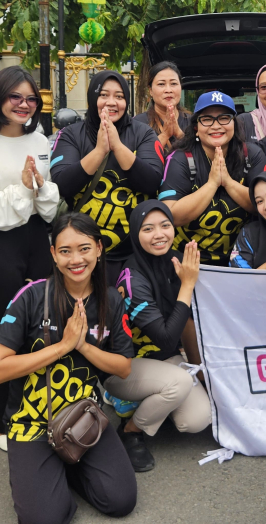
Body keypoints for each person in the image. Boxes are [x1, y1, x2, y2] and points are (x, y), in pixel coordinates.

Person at [0, 212, 136, 524]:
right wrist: (63, 346)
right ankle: (48, 478)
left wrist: (82, 346)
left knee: (121, 500)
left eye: (84, 248)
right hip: (31, 424)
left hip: (83, 417)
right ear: (53, 255)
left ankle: (64, 469)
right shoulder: (31, 297)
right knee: (46, 519)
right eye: (65, 251)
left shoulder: (111, 300)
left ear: (98, 248)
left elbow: (123, 367)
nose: (75, 259)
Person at [0, 66, 60, 451]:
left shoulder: (39, 138)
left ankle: (38, 409)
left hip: (37, 237)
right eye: (15, 97)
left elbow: (46, 195)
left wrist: (38, 188)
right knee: (6, 336)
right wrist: (23, 191)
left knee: (43, 326)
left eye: (31, 98)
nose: (24, 104)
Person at [104, 201, 213, 472]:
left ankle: (153, 401)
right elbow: (164, 338)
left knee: (198, 419)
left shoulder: (175, 261)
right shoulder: (130, 278)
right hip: (124, 366)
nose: (159, 234)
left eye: (165, 225)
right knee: (177, 383)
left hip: (165, 360)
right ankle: (130, 430)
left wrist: (200, 373)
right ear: (135, 234)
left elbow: (185, 322)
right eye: (148, 228)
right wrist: (187, 285)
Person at [51, 71, 164, 286]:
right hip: (82, 254)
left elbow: (152, 181)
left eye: (119, 96)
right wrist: (99, 151)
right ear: (93, 98)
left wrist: (118, 147)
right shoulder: (71, 134)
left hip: (134, 252)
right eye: (104, 95)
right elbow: (62, 184)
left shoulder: (143, 134)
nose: (112, 102)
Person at [159, 91, 266, 265]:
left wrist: (228, 183)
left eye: (224, 118)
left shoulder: (252, 154)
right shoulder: (181, 159)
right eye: (207, 119)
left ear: (234, 123)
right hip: (187, 261)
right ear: (196, 126)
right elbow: (170, 216)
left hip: (241, 259)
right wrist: (212, 184)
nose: (216, 125)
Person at [134, 60, 191, 153]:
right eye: (161, 84)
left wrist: (180, 134)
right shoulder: (137, 124)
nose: (168, 90)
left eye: (173, 84)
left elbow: (200, 156)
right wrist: (165, 135)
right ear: (150, 91)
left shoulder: (193, 123)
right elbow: (137, 160)